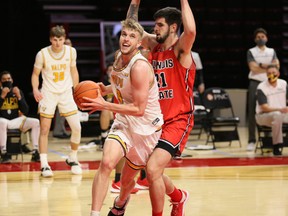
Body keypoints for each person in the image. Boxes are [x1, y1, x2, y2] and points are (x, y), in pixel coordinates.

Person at [81, 19, 163, 216]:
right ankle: (94, 214)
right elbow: (123, 86)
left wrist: (104, 104)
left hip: (146, 129)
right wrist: (106, 89)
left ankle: (120, 203)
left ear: (139, 43)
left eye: (132, 36)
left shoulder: (140, 67)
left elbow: (139, 108)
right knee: (107, 163)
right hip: (124, 122)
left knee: (127, 182)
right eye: (124, 34)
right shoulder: (119, 57)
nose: (126, 39)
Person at [127, 0, 196, 215]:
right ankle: (178, 197)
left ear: (173, 27)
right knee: (151, 172)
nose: (155, 28)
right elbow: (131, 27)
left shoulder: (180, 50)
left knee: (153, 169)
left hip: (178, 119)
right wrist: (134, 3)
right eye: (155, 24)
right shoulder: (153, 46)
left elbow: (191, 30)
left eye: (160, 25)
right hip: (155, 120)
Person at [31, 25, 82, 177]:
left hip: (66, 92)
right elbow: (35, 74)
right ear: (50, 39)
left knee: (77, 127)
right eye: (55, 40)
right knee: (45, 130)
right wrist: (35, 89)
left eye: (60, 40)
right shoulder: (42, 54)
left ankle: (73, 158)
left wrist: (77, 90)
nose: (58, 43)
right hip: (48, 93)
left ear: (64, 39)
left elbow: (74, 71)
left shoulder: (71, 52)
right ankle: (44, 164)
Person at [246, 27, 280, 151]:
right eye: (258, 37)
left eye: (263, 37)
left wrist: (261, 65)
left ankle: (267, 140)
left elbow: (276, 66)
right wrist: (268, 67)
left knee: (269, 110)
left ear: (267, 38)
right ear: (255, 39)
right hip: (255, 82)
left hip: (269, 82)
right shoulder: (251, 51)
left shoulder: (271, 51)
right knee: (252, 111)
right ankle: (251, 140)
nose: (261, 39)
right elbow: (253, 68)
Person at [0, 71, 40, 163]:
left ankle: (35, 151)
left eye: (9, 79)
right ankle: (3, 153)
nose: (7, 81)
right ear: (0, 82)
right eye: (4, 79)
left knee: (36, 122)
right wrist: (2, 96)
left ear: (12, 80)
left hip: (15, 121)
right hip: (2, 121)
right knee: (2, 122)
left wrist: (19, 97)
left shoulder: (17, 91)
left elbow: (25, 110)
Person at [255, 65, 287, 156]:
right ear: (266, 75)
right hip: (263, 116)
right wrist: (280, 109)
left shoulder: (284, 84)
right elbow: (264, 107)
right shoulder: (261, 87)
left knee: (279, 115)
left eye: (274, 73)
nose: (271, 75)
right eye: (269, 73)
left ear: (278, 73)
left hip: (282, 114)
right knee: (277, 115)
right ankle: (277, 145)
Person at [53, 38, 73, 139]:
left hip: (68, 85)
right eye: (66, 43)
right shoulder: (58, 56)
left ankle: (61, 129)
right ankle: (57, 131)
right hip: (59, 86)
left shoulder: (71, 55)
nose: (67, 45)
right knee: (60, 110)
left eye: (69, 43)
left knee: (64, 110)